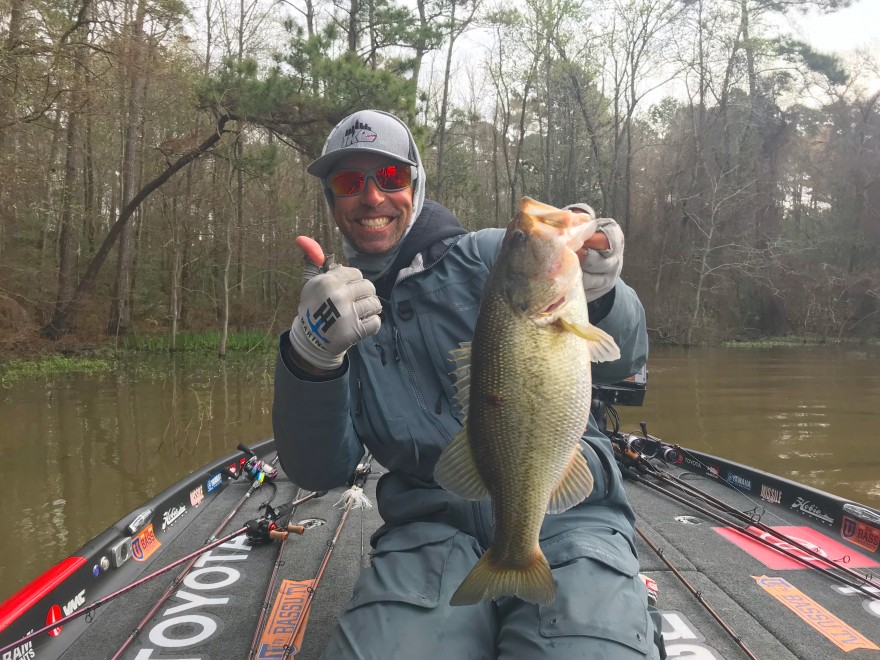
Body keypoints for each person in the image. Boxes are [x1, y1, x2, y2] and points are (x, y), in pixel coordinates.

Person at [273, 109, 665, 659]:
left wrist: (601, 292)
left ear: (416, 184)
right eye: (348, 182)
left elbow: (619, 363)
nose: (371, 197)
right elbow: (321, 470)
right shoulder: (335, 312)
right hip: (428, 529)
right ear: (333, 201)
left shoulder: (487, 256)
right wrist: (310, 356)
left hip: (568, 513)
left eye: (390, 178)